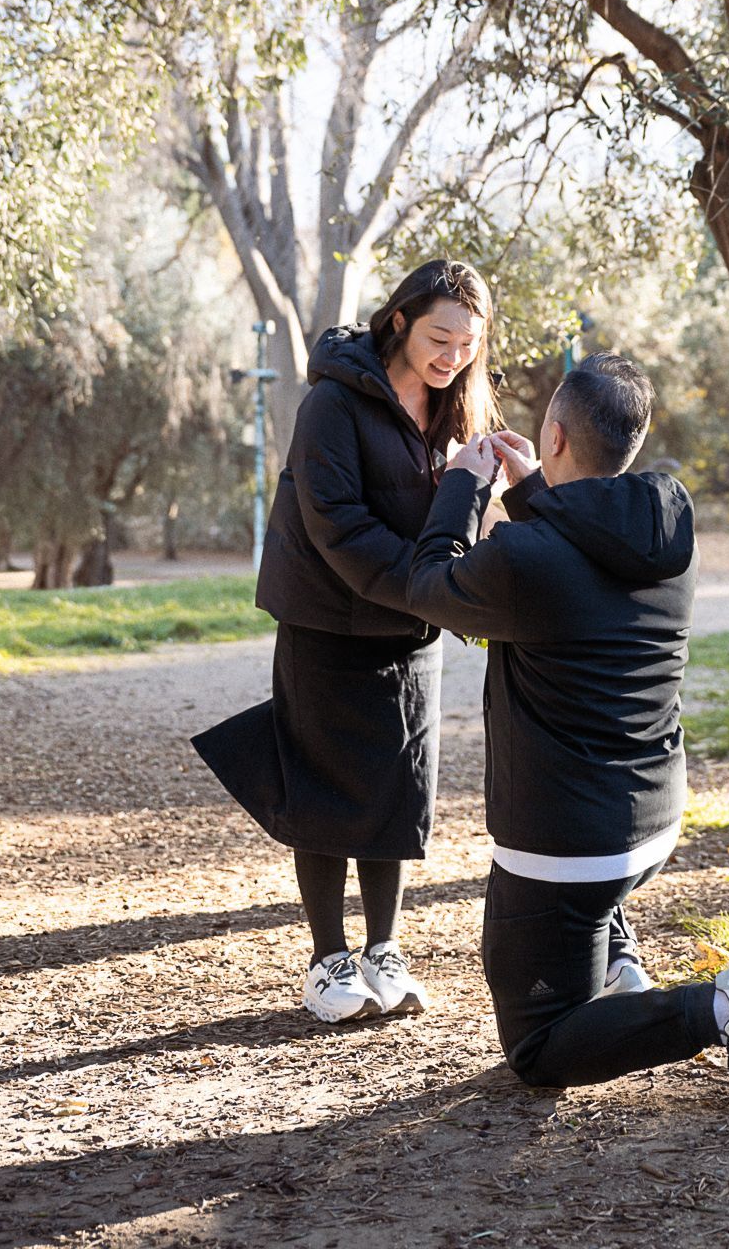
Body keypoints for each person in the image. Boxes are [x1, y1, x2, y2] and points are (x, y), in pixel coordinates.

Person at [342, 353, 729, 1105]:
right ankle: (618, 969)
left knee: (537, 1047)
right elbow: (581, 560)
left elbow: (428, 587)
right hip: (653, 820)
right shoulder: (668, 522)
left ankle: (721, 1005)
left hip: (566, 848)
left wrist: (464, 486)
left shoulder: (525, 559)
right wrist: (531, 490)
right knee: (579, 932)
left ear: (552, 435)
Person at [192, 258, 501, 1025]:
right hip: (327, 622)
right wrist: (431, 587)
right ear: (397, 321)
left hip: (408, 624)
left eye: (467, 343)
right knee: (326, 787)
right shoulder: (332, 402)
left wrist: (483, 484)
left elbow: (455, 523)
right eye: (438, 337)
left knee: (398, 787)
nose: (452, 355)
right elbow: (339, 527)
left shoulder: (456, 406)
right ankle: (328, 960)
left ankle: (383, 951)